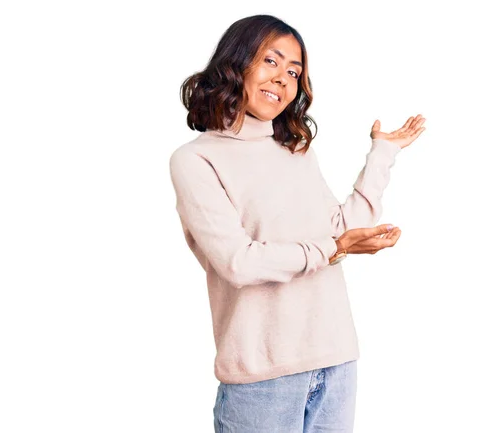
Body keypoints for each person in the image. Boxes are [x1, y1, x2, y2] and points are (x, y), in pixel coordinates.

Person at [169, 14, 426, 433]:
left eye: (294, 71)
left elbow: (343, 230)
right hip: (262, 375)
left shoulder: (295, 151)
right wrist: (332, 249)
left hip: (336, 358)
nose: (284, 80)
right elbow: (238, 263)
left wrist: (382, 155)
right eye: (271, 61)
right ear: (237, 62)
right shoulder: (196, 160)